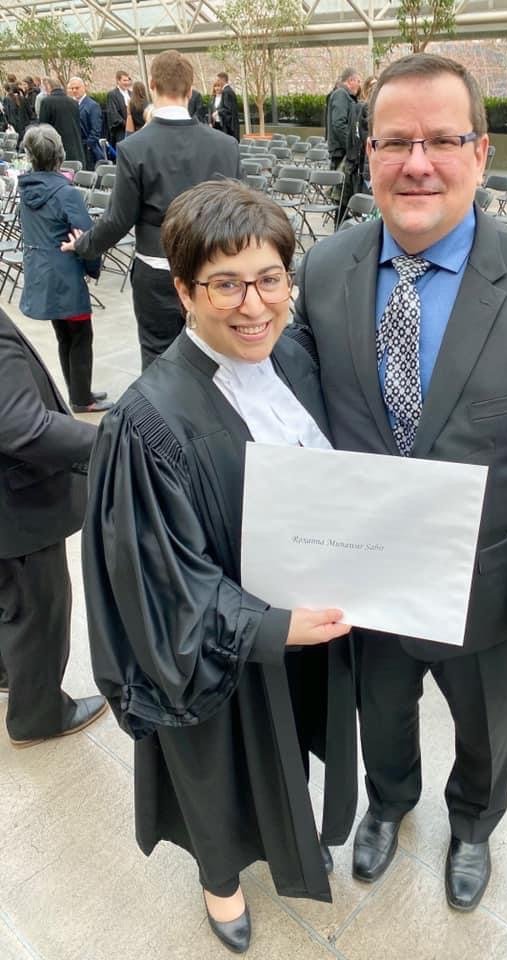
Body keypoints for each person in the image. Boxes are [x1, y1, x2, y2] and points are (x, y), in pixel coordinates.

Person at [293, 52, 507, 912]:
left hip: (488, 591)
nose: (418, 162)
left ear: (480, 152)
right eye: (396, 141)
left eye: (442, 139)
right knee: (381, 713)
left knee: (486, 728)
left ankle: (473, 823)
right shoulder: (324, 271)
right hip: (368, 584)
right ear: (369, 154)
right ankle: (389, 803)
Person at [82, 179, 357, 954]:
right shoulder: (147, 422)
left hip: (304, 625)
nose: (253, 305)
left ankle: (291, 830)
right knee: (218, 768)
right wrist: (266, 627)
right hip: (219, 649)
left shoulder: (294, 358)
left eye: (270, 279)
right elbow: (160, 583)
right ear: (183, 290)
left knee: (289, 744)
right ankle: (220, 879)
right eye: (226, 285)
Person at [62, 50, 243, 370]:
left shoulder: (134, 147)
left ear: (152, 86)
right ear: (190, 90)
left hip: (158, 274)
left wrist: (83, 246)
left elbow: (118, 220)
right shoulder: (225, 146)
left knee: (160, 364)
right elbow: (240, 215)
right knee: (216, 361)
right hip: (213, 271)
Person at [0, 306, 107, 746]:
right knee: (37, 608)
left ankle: (8, 671)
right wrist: (113, 442)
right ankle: (39, 717)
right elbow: (23, 426)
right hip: (16, 506)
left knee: (9, 598)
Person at [18, 125, 111, 414]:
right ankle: (82, 399)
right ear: (59, 154)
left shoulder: (27, 189)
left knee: (65, 335)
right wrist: (92, 268)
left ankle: (78, 392)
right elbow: (87, 236)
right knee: (81, 336)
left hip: (41, 272)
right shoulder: (66, 192)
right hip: (65, 274)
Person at [38, 80, 85, 164]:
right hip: (74, 148)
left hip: (55, 149)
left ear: (49, 87)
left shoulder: (46, 102)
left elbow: (43, 127)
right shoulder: (73, 102)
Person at [326, 68, 361, 170]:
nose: (359, 85)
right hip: (341, 152)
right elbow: (339, 124)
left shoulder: (345, 95)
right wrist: (351, 146)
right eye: (358, 81)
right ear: (351, 80)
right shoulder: (341, 94)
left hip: (343, 151)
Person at [67, 77, 104, 170]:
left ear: (84, 88)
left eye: (77, 88)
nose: (74, 90)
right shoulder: (70, 105)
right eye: (72, 88)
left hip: (89, 151)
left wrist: (87, 146)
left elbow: (96, 129)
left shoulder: (92, 105)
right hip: (75, 149)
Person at [106, 70, 131, 147]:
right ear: (118, 81)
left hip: (133, 131)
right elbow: (114, 114)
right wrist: (127, 125)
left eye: (128, 80)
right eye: (124, 80)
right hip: (121, 132)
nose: (127, 83)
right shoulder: (112, 95)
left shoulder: (131, 94)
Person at [214, 71, 240, 139]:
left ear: (222, 80)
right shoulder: (229, 90)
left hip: (229, 126)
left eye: (218, 80)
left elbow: (227, 109)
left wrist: (217, 112)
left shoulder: (226, 91)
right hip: (232, 125)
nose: (217, 82)